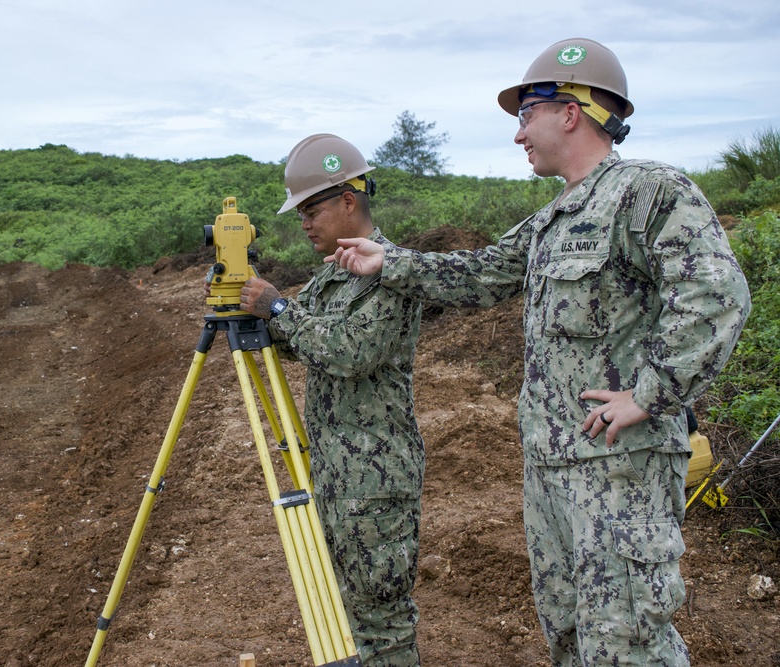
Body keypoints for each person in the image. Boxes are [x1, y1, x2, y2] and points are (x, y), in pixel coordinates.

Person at [327, 38, 751, 667]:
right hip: (551, 468)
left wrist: (649, 393)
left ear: (571, 111)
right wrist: (391, 260)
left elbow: (718, 295)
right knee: (572, 637)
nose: (519, 135)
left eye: (526, 116)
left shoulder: (649, 192)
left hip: (618, 469)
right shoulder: (556, 218)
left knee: (626, 642)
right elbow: (482, 273)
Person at [238, 133, 426, 666]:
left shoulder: (389, 272)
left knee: (381, 623)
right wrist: (250, 309)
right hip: (336, 472)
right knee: (348, 617)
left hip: (375, 481)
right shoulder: (332, 276)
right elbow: (304, 340)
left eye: (312, 209)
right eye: (299, 213)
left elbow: (347, 352)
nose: (304, 223)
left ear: (348, 201)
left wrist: (277, 309)